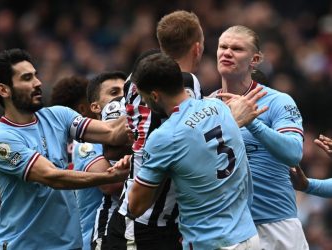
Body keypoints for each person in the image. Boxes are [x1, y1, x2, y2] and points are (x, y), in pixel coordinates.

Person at [0, 48, 131, 249]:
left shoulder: (58, 115)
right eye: (27, 78)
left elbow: (112, 131)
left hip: (70, 244)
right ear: (4, 90)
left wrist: (143, 104)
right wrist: (110, 176)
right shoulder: (3, 139)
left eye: (35, 75)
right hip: (26, 245)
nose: (38, 82)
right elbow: (53, 177)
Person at [116, 53, 261, 249]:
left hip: (209, 241)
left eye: (143, 97)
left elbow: (136, 207)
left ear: (155, 95)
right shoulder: (219, 107)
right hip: (248, 235)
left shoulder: (165, 137)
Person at [106, 10, 204, 250]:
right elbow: (190, 135)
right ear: (197, 48)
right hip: (145, 221)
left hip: (143, 211)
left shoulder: (135, 76)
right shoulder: (186, 83)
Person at [213, 25, 309, 249]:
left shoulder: (277, 101)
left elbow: (294, 153)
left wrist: (252, 122)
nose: (227, 52)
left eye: (236, 49)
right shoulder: (206, 106)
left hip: (276, 225)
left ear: (254, 59)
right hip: (228, 229)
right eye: (222, 47)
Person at [50, 72, 126, 250]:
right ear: (94, 107)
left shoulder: (135, 136)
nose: (122, 97)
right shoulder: (86, 144)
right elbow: (110, 185)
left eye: (125, 90)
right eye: (114, 92)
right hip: (96, 238)